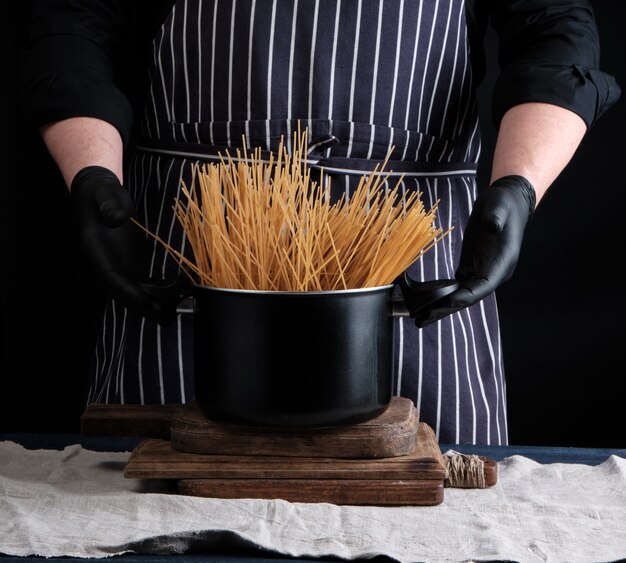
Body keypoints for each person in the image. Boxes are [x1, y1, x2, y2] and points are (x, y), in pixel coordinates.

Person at [21, 0, 620, 445]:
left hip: (413, 268)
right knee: (152, 515)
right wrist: (93, 175)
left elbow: (554, 29)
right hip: (192, 257)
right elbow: (73, 18)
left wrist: (518, 185)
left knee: (432, 517)